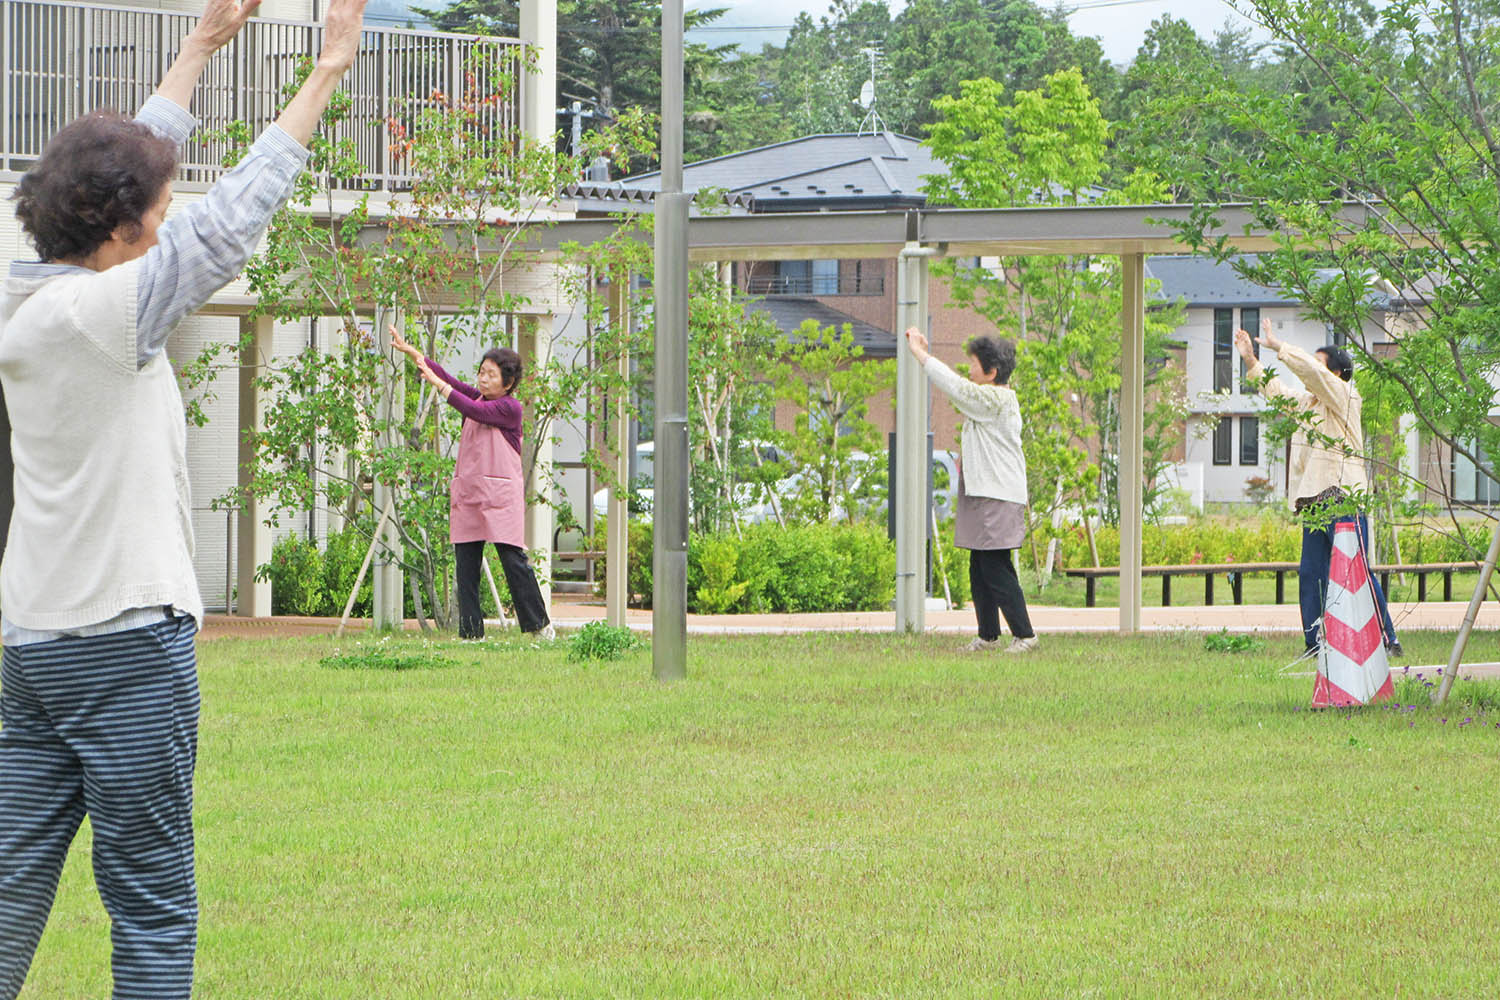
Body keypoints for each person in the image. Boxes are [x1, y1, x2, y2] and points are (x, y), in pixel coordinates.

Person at [0, 0, 367, 994]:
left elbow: (134, 180)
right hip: (125, 647)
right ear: (121, 230)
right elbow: (229, 218)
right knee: (153, 899)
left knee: (7, 892)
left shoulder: (31, 284)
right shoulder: (112, 311)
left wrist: (199, 49)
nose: (164, 218)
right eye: (151, 214)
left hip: (34, 645)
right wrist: (329, 68)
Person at [1236, 318, 1402, 658]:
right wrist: (1252, 360)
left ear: (1337, 374)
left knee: (1356, 569)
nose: (1310, 372)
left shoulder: (1345, 398)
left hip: (1342, 499)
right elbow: (1277, 392)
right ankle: (1315, 643)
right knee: (1311, 574)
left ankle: (1387, 638)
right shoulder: (1308, 405)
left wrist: (1280, 347)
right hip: (1312, 503)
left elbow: (1313, 374)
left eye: (1319, 365)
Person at [390, 326, 555, 641]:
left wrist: (437, 385)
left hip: (500, 497)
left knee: (514, 562)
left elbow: (473, 410)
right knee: (466, 567)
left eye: (491, 375)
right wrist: (415, 355)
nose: (483, 378)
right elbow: (450, 380)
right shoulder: (478, 396)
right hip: (470, 494)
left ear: (508, 383)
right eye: (481, 372)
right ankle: (470, 633)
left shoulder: (509, 408)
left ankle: (540, 627)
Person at [905, 327, 1038, 653]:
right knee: (979, 566)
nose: (968, 369)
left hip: (998, 495)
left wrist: (922, 355)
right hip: (985, 494)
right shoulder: (988, 401)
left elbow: (956, 387)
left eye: (974, 364)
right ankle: (988, 635)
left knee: (995, 565)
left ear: (991, 372)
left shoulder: (997, 398)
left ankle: (1026, 636)